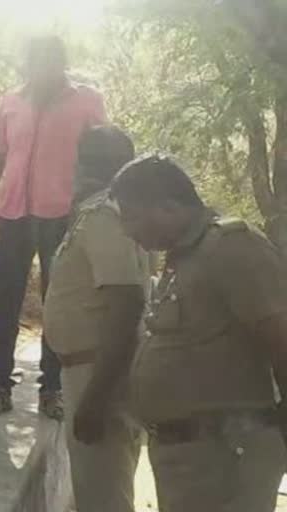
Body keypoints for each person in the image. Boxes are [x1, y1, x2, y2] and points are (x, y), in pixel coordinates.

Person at [110, 155, 287, 512]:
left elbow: (281, 338)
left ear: (167, 206)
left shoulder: (233, 247)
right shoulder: (183, 256)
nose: (127, 230)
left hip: (225, 455)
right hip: (188, 457)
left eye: (130, 216)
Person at [0, 35, 107, 419]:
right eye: (34, 63)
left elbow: (101, 157)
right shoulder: (10, 101)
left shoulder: (87, 101)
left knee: (57, 304)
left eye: (48, 63)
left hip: (63, 218)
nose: (41, 71)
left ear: (61, 64)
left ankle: (52, 389)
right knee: (4, 300)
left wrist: (93, 209)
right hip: (13, 216)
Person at [43, 126, 147, 512]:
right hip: (87, 370)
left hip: (97, 371)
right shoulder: (95, 213)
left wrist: (96, 398)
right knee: (97, 491)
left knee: (104, 497)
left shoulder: (105, 215)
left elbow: (126, 301)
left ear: (82, 164)